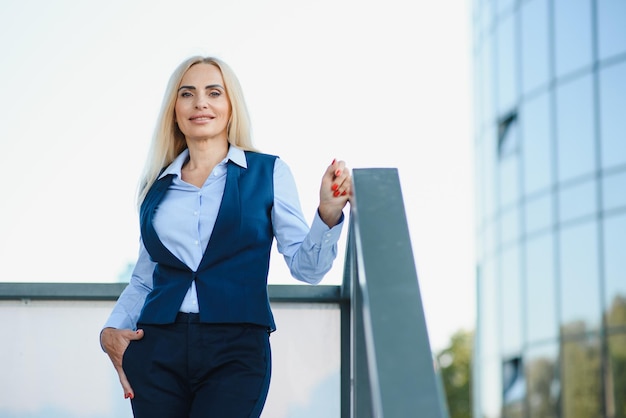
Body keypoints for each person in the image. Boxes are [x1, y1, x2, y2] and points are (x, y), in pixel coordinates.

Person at [99, 55, 352, 418]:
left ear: (231, 106)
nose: (200, 102)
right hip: (157, 348)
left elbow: (307, 269)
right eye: (187, 94)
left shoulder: (269, 172)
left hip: (237, 348)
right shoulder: (156, 188)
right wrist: (110, 330)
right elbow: (144, 279)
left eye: (213, 92)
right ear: (174, 110)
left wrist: (327, 214)